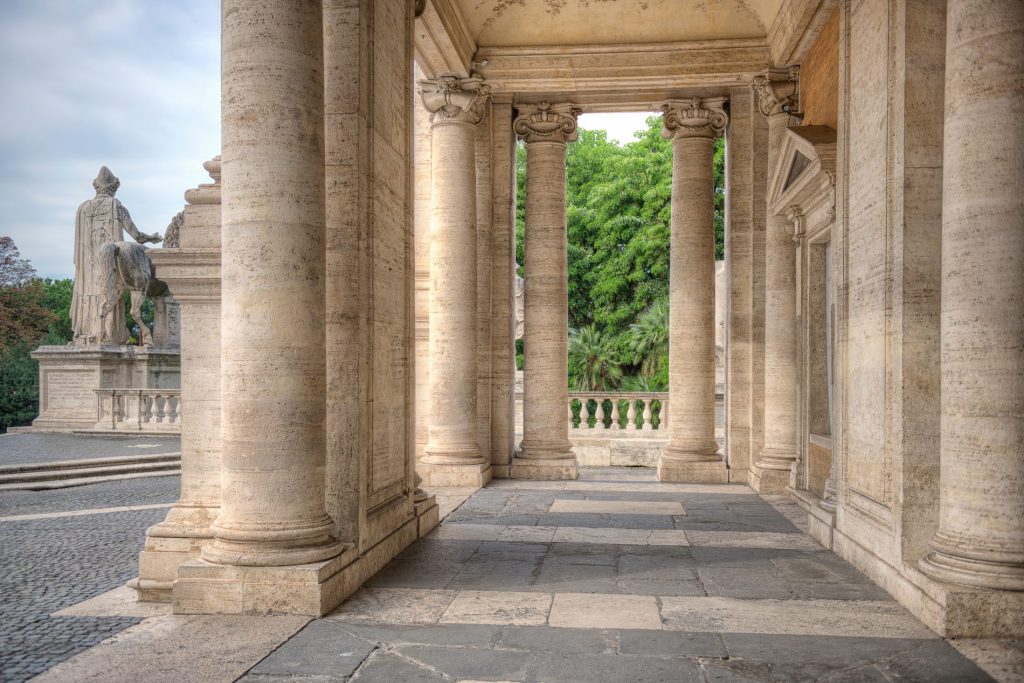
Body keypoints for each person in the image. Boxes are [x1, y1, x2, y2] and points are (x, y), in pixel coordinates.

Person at [70, 166, 161, 345]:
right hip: (111, 263)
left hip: (88, 267)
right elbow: (137, 236)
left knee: (92, 294)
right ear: (114, 187)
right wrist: (152, 238)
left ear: (96, 186)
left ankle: (86, 333)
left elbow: (78, 244)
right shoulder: (115, 205)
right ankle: (110, 334)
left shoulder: (82, 209)